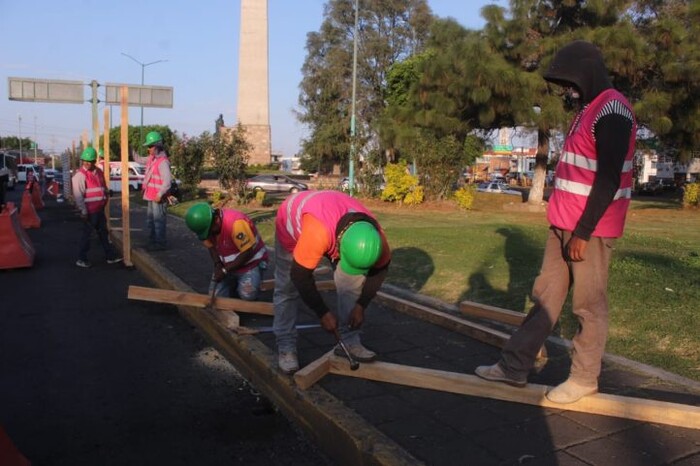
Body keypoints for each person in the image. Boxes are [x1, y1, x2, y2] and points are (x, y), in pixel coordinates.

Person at [475, 40, 637, 404]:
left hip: (589, 230)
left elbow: (609, 178)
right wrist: (563, 226)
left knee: (588, 304)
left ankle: (584, 379)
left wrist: (582, 232)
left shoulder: (613, 111)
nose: (567, 89)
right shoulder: (588, 107)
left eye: (570, 81)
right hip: (563, 223)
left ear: (588, 71)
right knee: (546, 297)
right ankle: (513, 367)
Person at [273, 190, 391, 374]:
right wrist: (323, 313)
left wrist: (361, 305)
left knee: (351, 285)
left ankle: (350, 341)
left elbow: (379, 271)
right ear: (339, 246)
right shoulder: (318, 232)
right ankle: (286, 347)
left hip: (330, 215)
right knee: (286, 288)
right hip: (292, 220)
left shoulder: (376, 239)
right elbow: (300, 276)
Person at [185, 203, 268, 301]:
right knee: (215, 296)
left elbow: (247, 252)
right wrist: (218, 264)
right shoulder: (206, 228)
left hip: (250, 263)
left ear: (216, 219)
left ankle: (243, 286)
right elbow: (211, 247)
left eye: (209, 231)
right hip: (227, 266)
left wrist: (225, 271)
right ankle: (234, 284)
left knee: (247, 294)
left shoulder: (236, 224)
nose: (209, 235)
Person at [71, 147, 122, 268]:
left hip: (99, 209)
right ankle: (81, 258)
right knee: (87, 235)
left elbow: (102, 186)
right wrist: (83, 211)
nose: (87, 163)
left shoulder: (98, 172)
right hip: (89, 211)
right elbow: (78, 195)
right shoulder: (80, 176)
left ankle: (110, 256)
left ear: (94, 161)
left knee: (103, 233)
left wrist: (106, 192)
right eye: (85, 161)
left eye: (90, 161)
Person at [133, 131, 172, 251]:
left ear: (157, 146)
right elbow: (139, 160)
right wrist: (131, 150)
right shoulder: (152, 159)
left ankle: (160, 244)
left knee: (158, 221)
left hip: (157, 197)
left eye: (150, 146)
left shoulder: (163, 162)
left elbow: (167, 182)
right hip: (150, 196)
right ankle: (152, 242)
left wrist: (160, 194)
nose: (148, 149)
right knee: (151, 221)